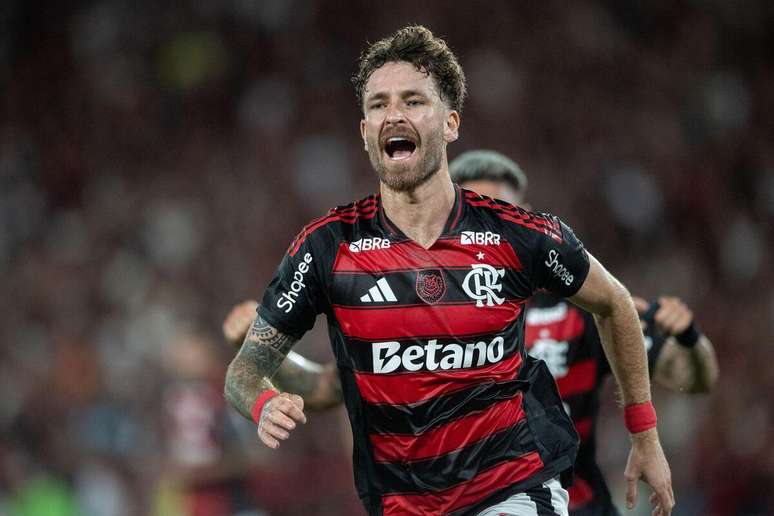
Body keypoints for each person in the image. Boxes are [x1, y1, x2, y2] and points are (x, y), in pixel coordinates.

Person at [222, 25, 674, 516]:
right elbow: (245, 372)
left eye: (413, 100)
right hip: (400, 504)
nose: (393, 114)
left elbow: (615, 302)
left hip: (514, 487)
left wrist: (643, 432)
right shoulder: (326, 247)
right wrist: (264, 404)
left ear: (451, 123)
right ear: (364, 131)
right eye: (378, 105)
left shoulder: (517, 233)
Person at [223, 150, 718, 515]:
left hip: (560, 497)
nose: (489, 226)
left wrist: (690, 344)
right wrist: (266, 358)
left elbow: (691, 377)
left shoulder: (580, 309)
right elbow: (327, 388)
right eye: (479, 206)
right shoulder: (414, 312)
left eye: (502, 211)